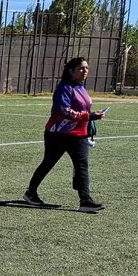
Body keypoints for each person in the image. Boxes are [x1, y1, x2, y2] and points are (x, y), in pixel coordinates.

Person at [23, 57, 107, 213]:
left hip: (79, 134)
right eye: (81, 68)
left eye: (87, 68)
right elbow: (64, 111)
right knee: (48, 163)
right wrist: (90, 116)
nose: (85, 71)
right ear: (71, 71)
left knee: (82, 166)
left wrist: (90, 117)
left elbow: (82, 110)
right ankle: (31, 192)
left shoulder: (81, 88)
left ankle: (85, 200)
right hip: (59, 134)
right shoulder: (64, 88)